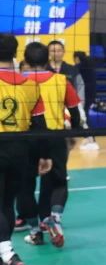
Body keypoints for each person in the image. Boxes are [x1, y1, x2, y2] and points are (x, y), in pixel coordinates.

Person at [16, 41, 81, 249]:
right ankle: (54, 217)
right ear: (47, 60)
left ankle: (35, 231)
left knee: (24, 187)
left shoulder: (18, 81)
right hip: (55, 137)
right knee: (58, 182)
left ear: (26, 60)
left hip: (25, 138)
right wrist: (74, 133)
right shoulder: (61, 80)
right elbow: (75, 112)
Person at [0, 34, 48, 265]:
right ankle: (2, 263)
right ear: (15, 54)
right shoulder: (30, 85)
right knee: (7, 204)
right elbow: (39, 125)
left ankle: (7, 253)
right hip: (20, 150)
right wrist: (44, 155)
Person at [73, 49, 99, 150]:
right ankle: (89, 138)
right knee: (85, 115)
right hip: (91, 94)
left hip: (82, 96)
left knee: (84, 116)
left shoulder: (78, 68)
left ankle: (90, 138)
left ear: (76, 58)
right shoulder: (91, 66)